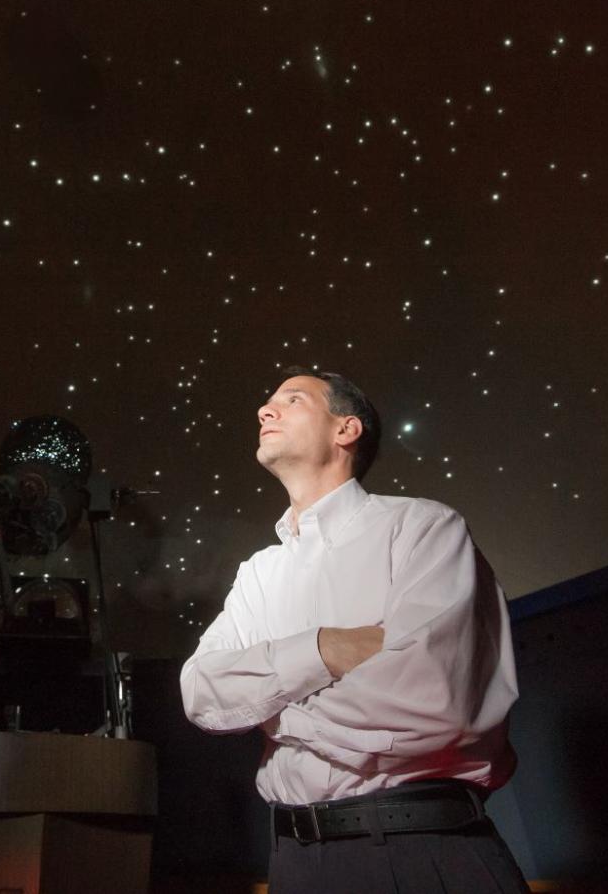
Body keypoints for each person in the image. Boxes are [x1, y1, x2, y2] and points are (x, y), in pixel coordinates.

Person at [180, 368, 530, 893]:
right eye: (267, 401)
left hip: (422, 852)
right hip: (294, 865)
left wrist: (270, 712)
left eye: (291, 399)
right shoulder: (259, 572)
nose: (264, 411)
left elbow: (435, 705)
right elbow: (200, 692)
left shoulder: (424, 528)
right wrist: (324, 650)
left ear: (345, 430)